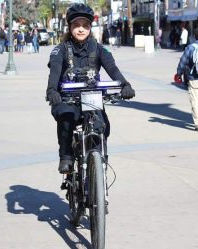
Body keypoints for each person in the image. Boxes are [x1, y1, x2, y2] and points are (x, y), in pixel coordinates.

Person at [46, 3, 135, 174]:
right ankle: (66, 156)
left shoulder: (99, 49)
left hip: (92, 98)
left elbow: (113, 69)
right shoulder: (60, 50)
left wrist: (125, 85)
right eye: (76, 25)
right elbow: (55, 71)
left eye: (85, 25)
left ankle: (99, 162)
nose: (81, 29)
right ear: (70, 27)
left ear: (90, 28)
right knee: (66, 119)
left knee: (103, 126)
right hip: (67, 99)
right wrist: (52, 91)